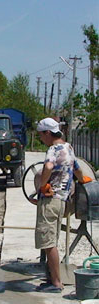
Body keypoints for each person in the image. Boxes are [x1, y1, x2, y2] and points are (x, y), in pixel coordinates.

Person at [32, 117, 92, 293]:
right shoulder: (68, 147)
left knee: (48, 242)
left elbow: (48, 167)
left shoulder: (53, 149)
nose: (41, 139)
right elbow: (78, 169)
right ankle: (53, 278)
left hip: (50, 201)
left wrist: (43, 186)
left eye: (41, 136)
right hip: (63, 202)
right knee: (52, 239)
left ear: (48, 133)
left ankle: (56, 283)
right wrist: (84, 180)